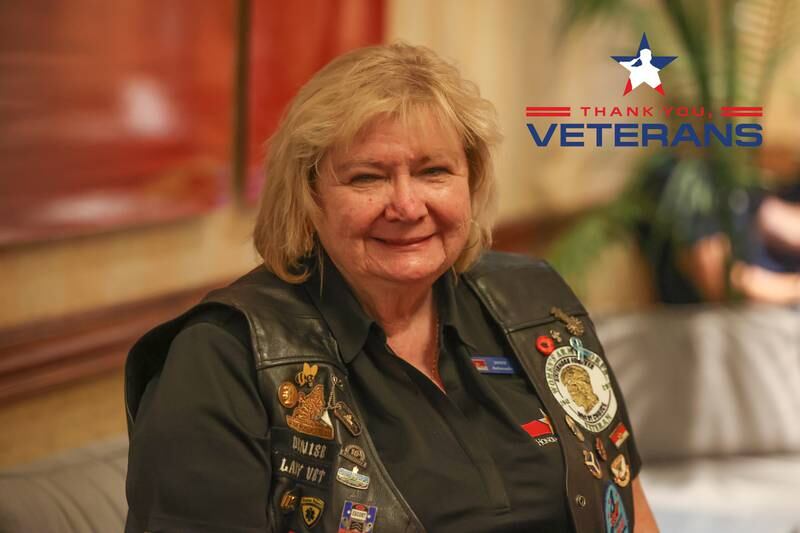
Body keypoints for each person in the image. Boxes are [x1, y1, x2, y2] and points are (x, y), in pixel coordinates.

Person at [124, 42, 659, 533]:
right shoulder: (223, 358)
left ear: (469, 181)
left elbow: (627, 505)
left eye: (433, 172)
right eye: (367, 178)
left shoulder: (536, 303)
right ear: (309, 195)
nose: (406, 206)